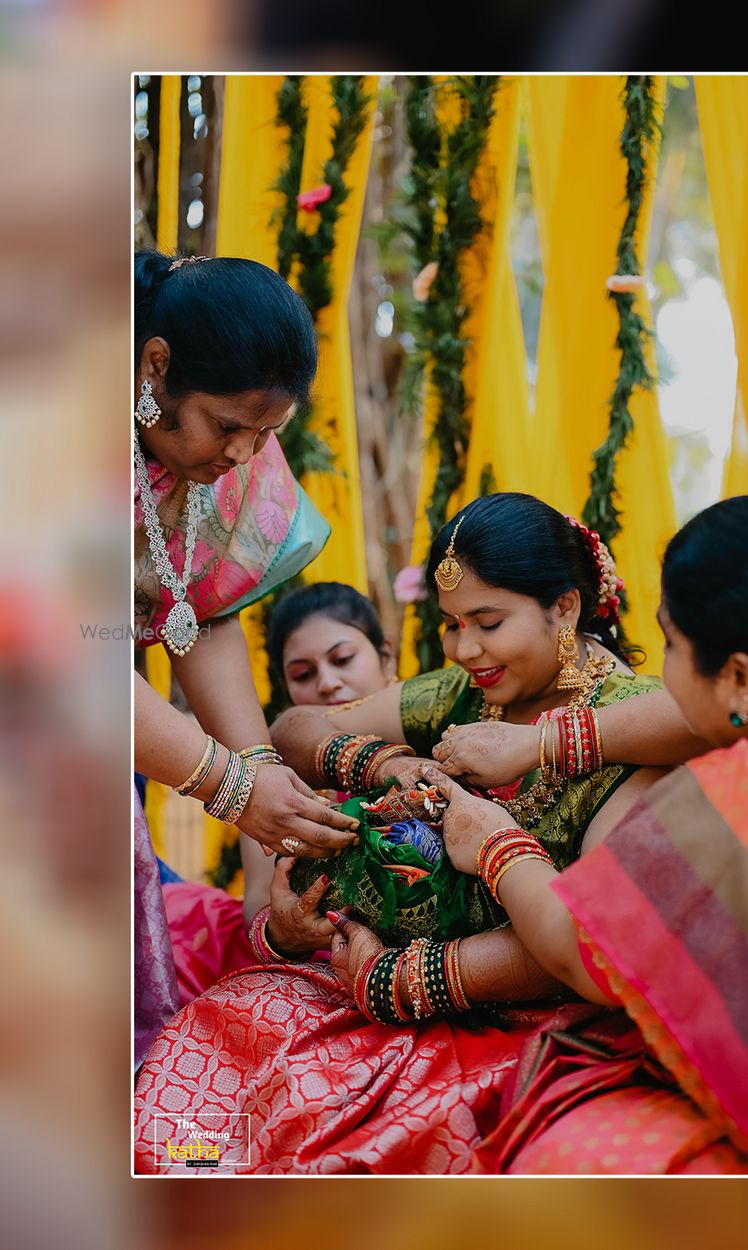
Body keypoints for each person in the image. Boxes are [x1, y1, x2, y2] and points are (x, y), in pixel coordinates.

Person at [134, 493, 700, 1174]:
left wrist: (407, 979)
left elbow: (586, 938)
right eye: (450, 625)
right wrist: (384, 760)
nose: (465, 648)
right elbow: (294, 729)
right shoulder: (468, 695)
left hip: (523, 1016)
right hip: (382, 987)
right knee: (224, 1045)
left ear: (566, 608)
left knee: (319, 1130)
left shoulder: (634, 724)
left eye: (487, 622)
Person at [422, 492, 748, 1174]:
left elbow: (579, 950)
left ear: (741, 677)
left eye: (674, 644)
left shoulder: (728, 806)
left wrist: (493, 843)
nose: (661, 674)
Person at [132, 250, 359, 1068]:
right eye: (228, 426)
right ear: (155, 364)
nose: (242, 456)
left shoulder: (233, 454)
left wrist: (262, 779)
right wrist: (232, 788)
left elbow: (208, 606)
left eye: (265, 435)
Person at [162, 582, 398, 1005]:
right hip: (311, 976)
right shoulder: (277, 779)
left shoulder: (437, 737)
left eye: (343, 659)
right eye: (303, 674)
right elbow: (256, 903)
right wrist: (286, 933)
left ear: (387, 657)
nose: (327, 683)